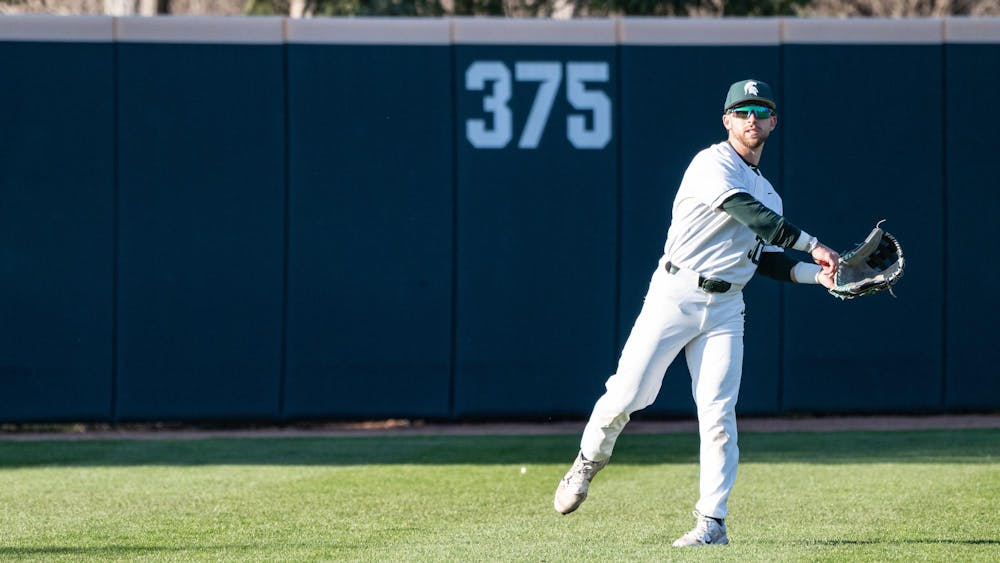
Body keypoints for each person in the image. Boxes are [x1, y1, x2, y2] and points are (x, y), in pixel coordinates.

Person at [552, 79, 840, 547]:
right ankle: (587, 461)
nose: (751, 119)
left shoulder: (771, 195)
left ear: (773, 122)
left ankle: (712, 522)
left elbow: (764, 257)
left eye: (760, 111)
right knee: (628, 394)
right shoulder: (712, 163)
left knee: (719, 414)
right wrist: (813, 245)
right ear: (727, 120)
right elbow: (747, 213)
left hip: (726, 308)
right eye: (742, 111)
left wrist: (816, 276)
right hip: (676, 293)